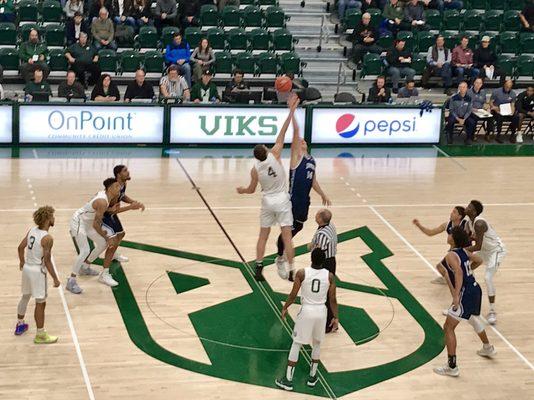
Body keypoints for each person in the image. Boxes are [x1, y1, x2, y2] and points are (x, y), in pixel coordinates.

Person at [236, 94, 300, 282]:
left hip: (267, 201)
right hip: (281, 199)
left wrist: (242, 190)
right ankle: (291, 270)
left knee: (263, 236)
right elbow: (284, 130)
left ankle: (258, 268)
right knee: (287, 237)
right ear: (265, 151)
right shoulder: (275, 154)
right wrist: (291, 111)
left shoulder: (255, 169)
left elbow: (251, 190)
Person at [274, 106, 331, 281]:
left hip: (304, 202)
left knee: (297, 227)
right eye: (300, 141)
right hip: (291, 201)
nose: (302, 142)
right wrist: (293, 112)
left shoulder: (312, 160)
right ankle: (280, 257)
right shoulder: (295, 158)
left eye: (305, 141)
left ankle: (283, 251)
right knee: (287, 232)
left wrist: (322, 194)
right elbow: (295, 136)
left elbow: (313, 181)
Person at [433, 226, 496, 378]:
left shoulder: (451, 255)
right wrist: (469, 272)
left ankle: (452, 367)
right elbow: (479, 260)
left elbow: (459, 272)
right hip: (475, 289)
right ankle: (487, 347)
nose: (448, 235)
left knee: (448, 327)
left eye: (450, 234)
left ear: (453, 239)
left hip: (465, 293)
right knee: (473, 319)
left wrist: (455, 296)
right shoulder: (464, 252)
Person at [274, 248, 338, 391]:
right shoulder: (330, 276)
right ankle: (312, 377)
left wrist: (285, 307)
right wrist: (335, 317)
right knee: (317, 343)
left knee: (297, 344)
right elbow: (333, 299)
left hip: (307, 311)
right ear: (323, 261)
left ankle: (288, 380)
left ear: (311, 258)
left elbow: (293, 294)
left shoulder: (302, 273)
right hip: (322, 312)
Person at [67, 178, 122, 294]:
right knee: (85, 250)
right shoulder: (102, 201)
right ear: (110, 188)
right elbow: (96, 224)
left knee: (102, 244)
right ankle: (71, 281)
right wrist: (107, 236)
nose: (119, 188)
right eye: (117, 186)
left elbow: (97, 212)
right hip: (78, 222)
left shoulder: (104, 195)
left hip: (87, 223)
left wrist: (110, 209)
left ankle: (85, 267)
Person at [14, 206, 61, 343]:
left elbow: (20, 247)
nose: (54, 218)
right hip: (37, 272)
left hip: (27, 268)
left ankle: (20, 324)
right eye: (52, 216)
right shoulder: (47, 238)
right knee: (40, 303)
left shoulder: (32, 230)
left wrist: (22, 261)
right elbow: (47, 261)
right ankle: (40, 335)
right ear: (47, 219)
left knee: (25, 296)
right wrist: (55, 279)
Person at [465, 200, 505, 325]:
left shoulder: (480, 223)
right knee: (467, 270)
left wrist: (462, 251)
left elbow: (477, 246)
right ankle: (466, 303)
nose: (466, 208)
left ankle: (492, 311)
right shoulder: (469, 223)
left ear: (474, 211)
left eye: (469, 207)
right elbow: (472, 241)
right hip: (484, 250)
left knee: (488, 278)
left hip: (495, 251)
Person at [413, 206, 469, 284]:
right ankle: (453, 278)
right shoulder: (447, 225)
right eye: (452, 211)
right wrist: (419, 225)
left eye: (454, 212)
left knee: (455, 267)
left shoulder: (466, 225)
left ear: (459, 216)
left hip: (466, 250)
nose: (451, 213)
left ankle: (460, 277)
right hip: (455, 251)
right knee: (440, 267)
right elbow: (430, 233)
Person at [103, 165, 146, 264]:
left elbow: (122, 196)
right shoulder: (114, 188)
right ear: (118, 174)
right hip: (105, 214)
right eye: (125, 171)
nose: (128, 172)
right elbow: (111, 210)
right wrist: (131, 207)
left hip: (111, 213)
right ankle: (98, 262)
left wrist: (132, 202)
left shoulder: (123, 184)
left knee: (121, 234)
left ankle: (113, 254)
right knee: (112, 240)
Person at [490, 79, 520, 143]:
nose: (508, 88)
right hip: (497, 110)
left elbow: (512, 104)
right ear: (504, 84)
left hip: (507, 111)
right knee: (499, 117)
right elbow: (491, 102)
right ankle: (498, 135)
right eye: (507, 86)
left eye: (509, 87)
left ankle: (512, 134)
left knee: (516, 117)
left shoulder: (513, 94)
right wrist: (495, 108)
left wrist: (512, 111)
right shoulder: (496, 91)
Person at [467, 77, 494, 142]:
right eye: (477, 83)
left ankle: (487, 134)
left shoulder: (483, 92)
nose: (478, 84)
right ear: (474, 83)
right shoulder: (468, 92)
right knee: (474, 118)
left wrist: (486, 107)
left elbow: (484, 102)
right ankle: (473, 134)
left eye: (480, 83)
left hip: (481, 111)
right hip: (471, 112)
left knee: (490, 117)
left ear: (482, 84)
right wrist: (472, 109)